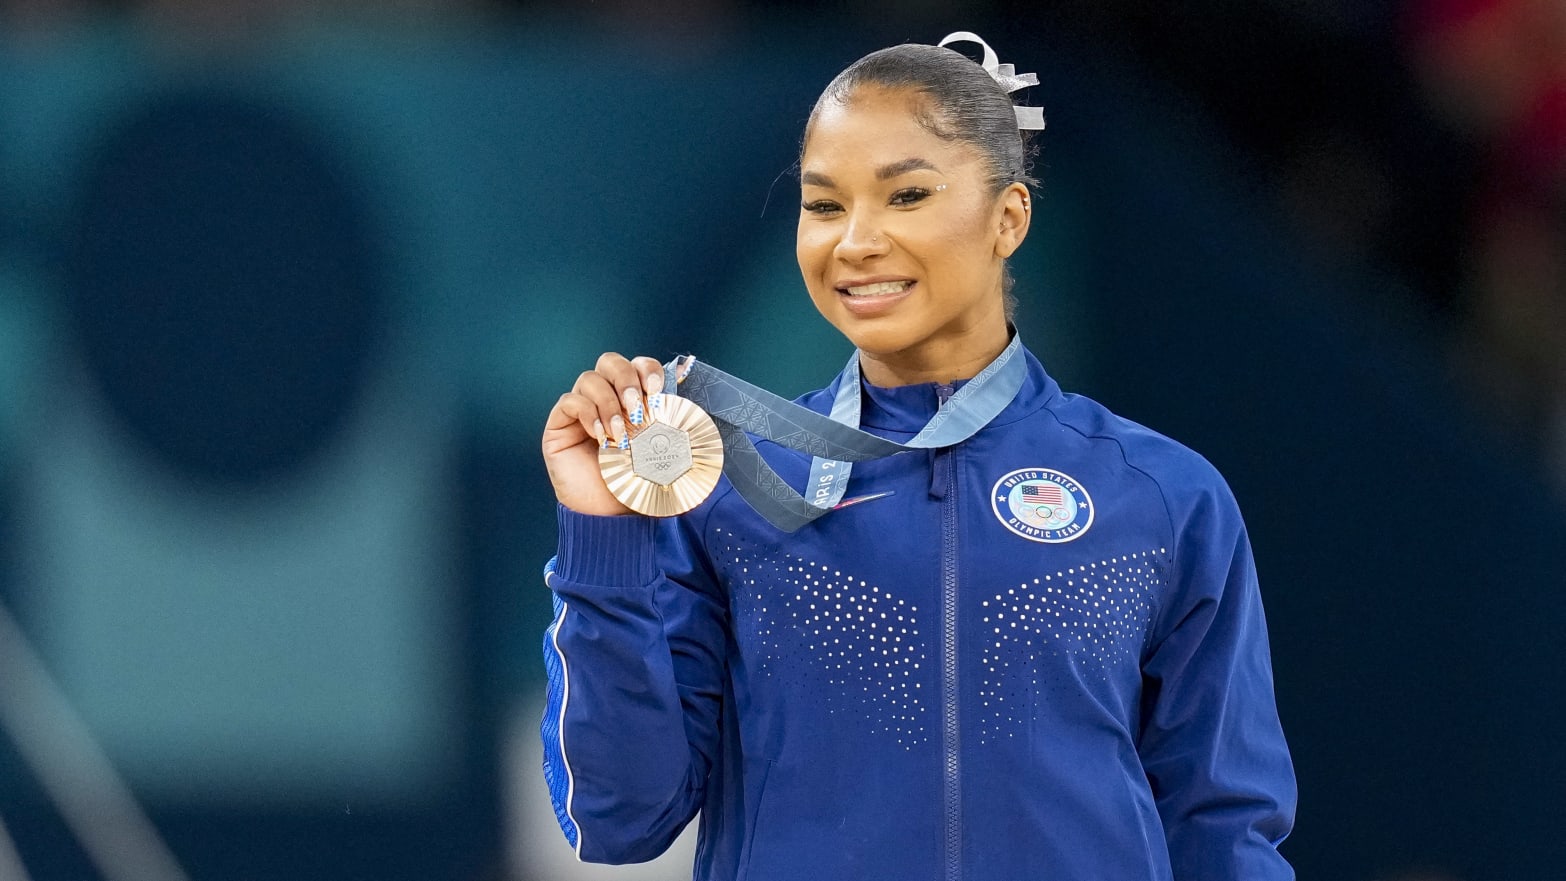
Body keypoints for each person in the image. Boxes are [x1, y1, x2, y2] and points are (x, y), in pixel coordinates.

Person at [539, 32, 1296, 881]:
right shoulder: (732, 491)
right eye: (824, 205)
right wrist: (601, 535)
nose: (855, 241)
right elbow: (616, 817)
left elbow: (1223, 830)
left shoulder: (1162, 498)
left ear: (1008, 217)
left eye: (906, 196)